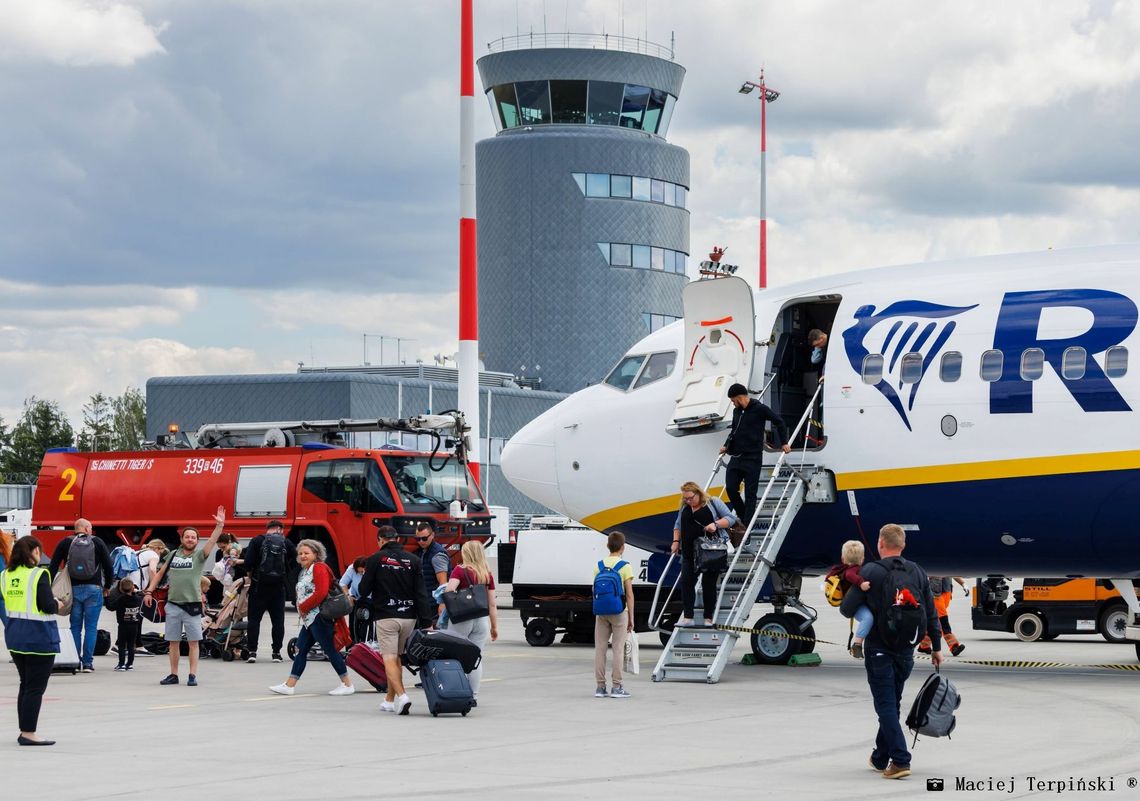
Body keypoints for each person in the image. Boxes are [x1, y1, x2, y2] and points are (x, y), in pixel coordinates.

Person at [840, 523, 942, 780]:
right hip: (906, 650)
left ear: (880, 544)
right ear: (903, 545)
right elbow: (931, 612)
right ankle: (879, 757)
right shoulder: (917, 571)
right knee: (892, 704)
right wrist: (937, 648)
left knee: (885, 706)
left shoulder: (871, 571)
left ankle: (900, 759)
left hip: (879, 650)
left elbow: (847, 608)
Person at [143, 506, 226, 687]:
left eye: (193, 537)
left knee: (193, 642)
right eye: (187, 536)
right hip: (173, 605)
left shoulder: (199, 556)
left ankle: (192, 675)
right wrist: (149, 591)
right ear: (182, 539)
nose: (190, 539)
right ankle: (173, 674)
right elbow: (159, 574)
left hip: (192, 605)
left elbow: (212, 541)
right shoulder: (173, 554)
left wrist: (219, 526)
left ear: (197, 541)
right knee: (173, 642)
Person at [358, 524, 433, 716]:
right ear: (397, 539)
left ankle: (402, 696)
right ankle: (389, 700)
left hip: (386, 616)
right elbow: (421, 593)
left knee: (389, 658)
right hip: (409, 617)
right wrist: (427, 621)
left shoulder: (375, 559)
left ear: (380, 540)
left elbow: (363, 590)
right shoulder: (414, 560)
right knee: (398, 657)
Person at [269, 539, 355, 697]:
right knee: (300, 650)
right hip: (310, 619)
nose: (302, 556)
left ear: (316, 554)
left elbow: (321, 592)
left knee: (330, 650)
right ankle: (290, 685)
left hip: (318, 617)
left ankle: (347, 684)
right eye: (300, 553)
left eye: (306, 553)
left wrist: (303, 606)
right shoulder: (306, 570)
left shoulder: (319, 567)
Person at [0, 535, 61, 745]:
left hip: (15, 636)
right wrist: (57, 603)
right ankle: (28, 733)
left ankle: (24, 729)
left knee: (25, 685)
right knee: (35, 688)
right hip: (38, 637)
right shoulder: (38, 574)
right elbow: (46, 605)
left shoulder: (5, 575)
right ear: (34, 551)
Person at [718, 383, 790, 534]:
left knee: (751, 494)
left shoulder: (760, 409)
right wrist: (726, 446)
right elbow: (734, 431)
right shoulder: (737, 411)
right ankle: (744, 518)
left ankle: (746, 527)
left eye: (733, 400)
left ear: (740, 397)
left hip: (753, 458)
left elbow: (779, 422)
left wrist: (784, 442)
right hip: (736, 457)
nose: (733, 403)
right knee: (731, 488)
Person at [48, 518, 114, 673]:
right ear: (85, 529)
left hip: (73, 590)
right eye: (90, 528)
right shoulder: (97, 542)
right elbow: (108, 566)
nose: (91, 531)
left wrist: (48, 587)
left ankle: (75, 661)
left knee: (75, 627)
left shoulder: (65, 543)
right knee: (91, 627)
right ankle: (88, 664)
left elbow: (53, 566)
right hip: (94, 589)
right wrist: (107, 586)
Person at [671, 482, 738, 627]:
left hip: (710, 551)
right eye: (685, 498)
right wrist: (676, 541)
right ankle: (688, 617)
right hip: (689, 552)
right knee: (687, 582)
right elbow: (677, 525)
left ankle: (708, 618)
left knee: (709, 584)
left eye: (690, 498)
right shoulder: (685, 507)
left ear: (698, 493)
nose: (688, 501)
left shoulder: (712, 502)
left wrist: (716, 524)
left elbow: (731, 519)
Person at [443, 541, 498, 703]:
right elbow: (492, 603)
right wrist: (494, 627)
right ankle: (473, 696)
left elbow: (449, 591)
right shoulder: (486, 573)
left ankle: (457, 691)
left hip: (462, 618)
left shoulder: (459, 570)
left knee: (454, 656)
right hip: (481, 620)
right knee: (475, 658)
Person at [243, 520, 297, 664]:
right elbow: (297, 560)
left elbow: (248, 562)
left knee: (254, 620)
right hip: (278, 588)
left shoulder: (257, 541)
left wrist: (251, 575)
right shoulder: (286, 542)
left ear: (267, 529)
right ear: (280, 529)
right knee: (278, 622)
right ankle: (276, 653)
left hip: (258, 586)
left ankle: (252, 652)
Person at [593, 531, 635, 699]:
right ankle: (617, 687)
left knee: (600, 649)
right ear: (623, 547)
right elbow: (630, 594)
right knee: (617, 649)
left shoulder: (598, 565)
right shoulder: (625, 566)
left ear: (607, 546)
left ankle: (600, 687)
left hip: (601, 612)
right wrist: (631, 617)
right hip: (619, 612)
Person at [826, 540, 873, 658]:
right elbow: (850, 575)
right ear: (862, 558)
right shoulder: (853, 569)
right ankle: (857, 644)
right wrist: (861, 583)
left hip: (851, 603)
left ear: (842, 558)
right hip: (855, 605)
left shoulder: (841, 568)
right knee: (868, 618)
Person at [919, 577, 967, 656]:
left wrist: (963, 583)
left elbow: (952, 571)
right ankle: (954, 646)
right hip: (935, 595)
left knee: (936, 623)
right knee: (943, 622)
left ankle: (924, 645)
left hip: (946, 593)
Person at [415, 521, 450, 624]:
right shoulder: (422, 551)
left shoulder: (437, 555)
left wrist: (442, 603)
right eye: (418, 539)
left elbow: (443, 583)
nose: (421, 541)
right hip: (427, 602)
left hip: (433, 605)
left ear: (432, 535)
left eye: (424, 538)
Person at [107, 578, 144, 671]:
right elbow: (141, 595)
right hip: (134, 625)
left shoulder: (121, 599)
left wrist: (106, 598)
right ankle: (130, 664)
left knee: (122, 645)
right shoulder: (138, 599)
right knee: (131, 645)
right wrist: (136, 592)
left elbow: (111, 607)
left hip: (123, 625)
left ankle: (121, 664)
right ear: (132, 587)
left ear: (121, 589)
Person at [339, 557, 370, 642]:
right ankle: (352, 645)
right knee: (353, 624)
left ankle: (368, 643)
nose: (362, 574)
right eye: (360, 572)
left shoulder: (372, 568)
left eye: (364, 571)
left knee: (368, 625)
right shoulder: (351, 568)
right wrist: (348, 596)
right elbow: (342, 583)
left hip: (370, 598)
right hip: (355, 597)